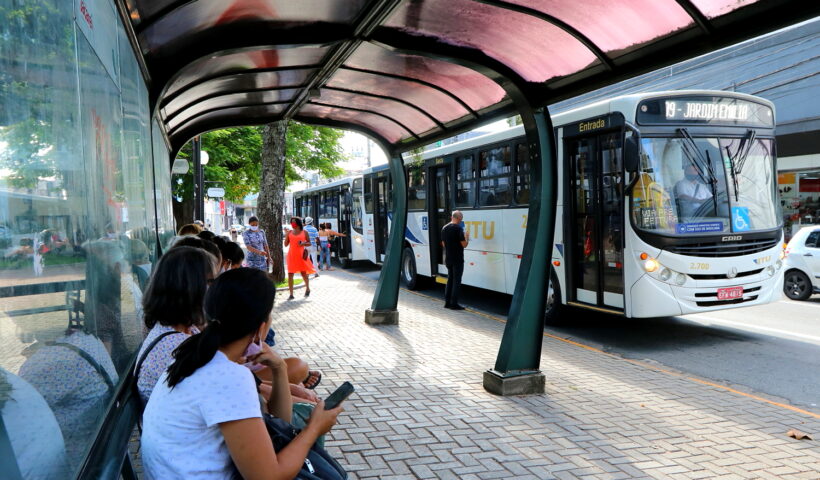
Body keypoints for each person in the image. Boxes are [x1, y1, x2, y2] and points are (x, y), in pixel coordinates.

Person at [141, 268, 343, 480]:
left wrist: (279, 368)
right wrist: (313, 430)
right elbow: (268, 477)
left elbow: (278, 422)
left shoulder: (192, 353)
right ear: (261, 326)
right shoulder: (228, 377)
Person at [136, 246, 218, 405]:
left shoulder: (177, 329)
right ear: (189, 288)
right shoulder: (177, 346)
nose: (214, 288)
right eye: (209, 281)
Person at [440, 210, 469, 310]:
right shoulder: (458, 229)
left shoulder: (444, 228)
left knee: (450, 279)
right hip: (457, 259)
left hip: (448, 258)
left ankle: (447, 303)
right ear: (458, 218)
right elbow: (464, 245)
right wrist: (467, 238)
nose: (461, 221)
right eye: (461, 219)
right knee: (456, 281)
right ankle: (454, 304)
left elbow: (443, 244)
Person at [283, 217, 313, 300]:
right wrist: (286, 235)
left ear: (298, 223)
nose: (292, 224)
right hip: (291, 256)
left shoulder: (304, 232)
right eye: (291, 222)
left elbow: (309, 243)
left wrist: (303, 243)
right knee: (290, 274)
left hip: (301, 256)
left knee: (304, 274)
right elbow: (285, 245)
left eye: (294, 222)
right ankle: (291, 294)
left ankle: (307, 288)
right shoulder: (289, 232)